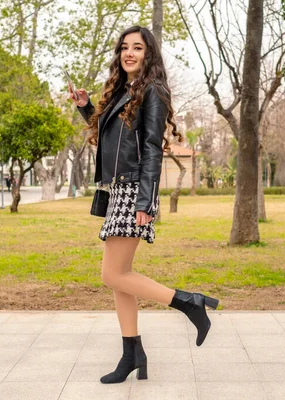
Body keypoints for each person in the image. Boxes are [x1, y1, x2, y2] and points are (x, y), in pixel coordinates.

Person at [68, 25, 220, 384]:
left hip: (135, 189)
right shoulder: (123, 90)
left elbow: (152, 148)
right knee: (121, 280)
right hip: (117, 189)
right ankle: (132, 353)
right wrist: (86, 107)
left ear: (149, 53)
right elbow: (106, 134)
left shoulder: (153, 90)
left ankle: (188, 302)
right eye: (124, 47)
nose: (129, 53)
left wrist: (146, 201)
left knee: (112, 274)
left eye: (137, 47)